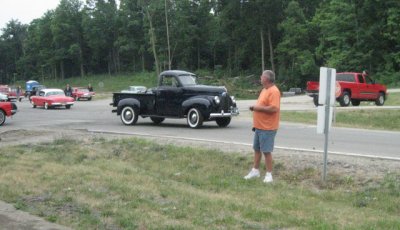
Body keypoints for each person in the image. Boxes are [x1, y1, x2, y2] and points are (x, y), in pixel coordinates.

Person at [244, 70, 281, 183]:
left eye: (262, 76)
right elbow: (262, 105)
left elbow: (274, 108)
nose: (260, 78)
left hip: (268, 127)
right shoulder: (264, 90)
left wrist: (256, 108)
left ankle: (269, 175)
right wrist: (256, 107)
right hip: (259, 126)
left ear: (267, 79)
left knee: (266, 151)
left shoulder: (274, 91)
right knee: (257, 149)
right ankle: (255, 171)